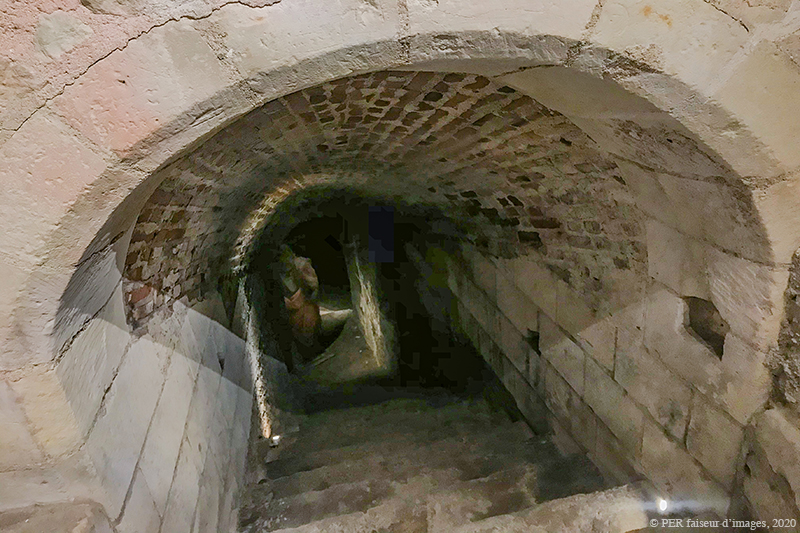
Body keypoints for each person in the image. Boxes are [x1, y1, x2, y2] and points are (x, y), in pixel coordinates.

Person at [278, 245, 321, 364]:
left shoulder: (301, 266)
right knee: (297, 328)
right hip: (292, 310)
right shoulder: (274, 273)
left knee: (309, 321)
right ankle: (304, 353)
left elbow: (314, 286)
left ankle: (312, 349)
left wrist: (305, 295)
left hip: (306, 304)